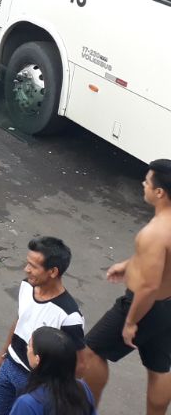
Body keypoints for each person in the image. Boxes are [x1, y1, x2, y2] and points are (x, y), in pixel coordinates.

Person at [79, 159, 171, 414]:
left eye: (147, 181)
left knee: (90, 352)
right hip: (167, 307)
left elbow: (149, 286)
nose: (143, 184)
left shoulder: (155, 233)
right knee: (159, 368)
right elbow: (162, 262)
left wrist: (131, 321)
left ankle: (88, 410)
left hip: (143, 306)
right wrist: (129, 265)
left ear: (159, 192)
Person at [0, 237, 85, 415]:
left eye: (33, 266)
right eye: (27, 263)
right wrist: (3, 356)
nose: (26, 269)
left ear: (53, 271)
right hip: (9, 367)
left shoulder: (69, 316)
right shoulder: (26, 286)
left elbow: (78, 365)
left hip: (37, 384)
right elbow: (20, 320)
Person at [11, 327, 98, 415]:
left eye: (29, 345)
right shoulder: (82, 389)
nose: (27, 347)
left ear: (37, 360)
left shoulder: (28, 403)